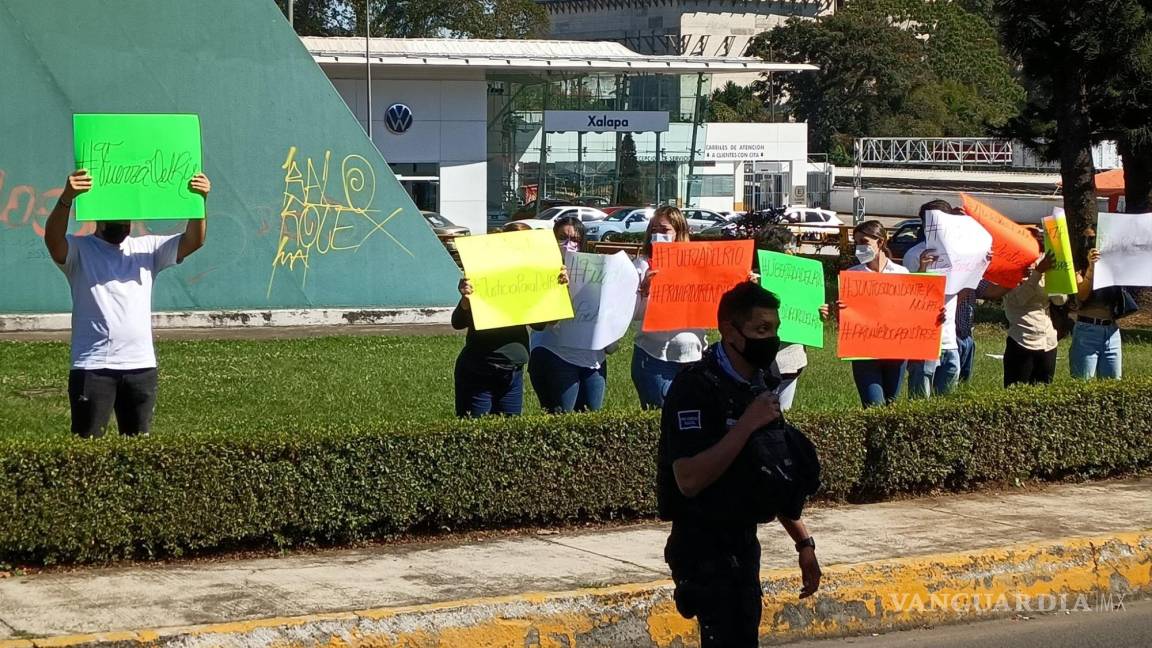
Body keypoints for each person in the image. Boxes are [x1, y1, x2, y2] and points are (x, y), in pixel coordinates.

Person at [658, 281, 821, 648]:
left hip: (742, 540)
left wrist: (804, 544)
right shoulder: (696, 388)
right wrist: (747, 422)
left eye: (775, 329)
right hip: (703, 543)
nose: (771, 339)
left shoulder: (760, 383)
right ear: (730, 331)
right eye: (761, 330)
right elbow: (688, 478)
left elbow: (770, 466)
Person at [44, 169, 211, 438]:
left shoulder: (148, 249)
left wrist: (198, 201)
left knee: (138, 448)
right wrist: (67, 198)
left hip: (141, 367)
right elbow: (53, 241)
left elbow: (194, 240)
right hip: (92, 366)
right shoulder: (79, 250)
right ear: (99, 218)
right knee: (87, 447)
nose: (123, 227)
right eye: (116, 222)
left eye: (126, 222)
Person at [452, 267, 567, 417]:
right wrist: (465, 301)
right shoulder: (483, 276)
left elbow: (542, 323)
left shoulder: (525, 281)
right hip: (478, 373)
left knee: (509, 433)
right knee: (474, 432)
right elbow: (458, 322)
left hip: (512, 374)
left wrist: (557, 289)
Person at [528, 217, 612, 412]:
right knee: (561, 416)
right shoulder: (541, 273)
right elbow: (541, 322)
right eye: (562, 238)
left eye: (575, 239)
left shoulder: (596, 270)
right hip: (556, 354)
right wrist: (559, 289)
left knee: (592, 417)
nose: (569, 244)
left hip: (593, 358)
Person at [630, 206, 705, 409]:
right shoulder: (642, 266)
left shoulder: (700, 266)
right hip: (655, 357)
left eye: (664, 230)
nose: (657, 235)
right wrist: (644, 290)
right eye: (653, 230)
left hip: (694, 356)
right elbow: (632, 315)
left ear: (679, 232)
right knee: (662, 419)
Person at [837, 220, 911, 407]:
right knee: (874, 406)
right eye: (857, 242)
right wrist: (841, 312)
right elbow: (845, 321)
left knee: (891, 405)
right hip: (865, 352)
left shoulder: (902, 273)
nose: (859, 247)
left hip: (896, 351)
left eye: (864, 242)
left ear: (880, 241)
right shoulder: (852, 275)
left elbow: (913, 311)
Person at [980, 228, 1064, 386]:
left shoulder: (1044, 266)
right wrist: (1037, 273)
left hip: (1048, 340)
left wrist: (1057, 278)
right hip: (1022, 340)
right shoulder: (1010, 270)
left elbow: (1060, 300)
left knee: (1043, 393)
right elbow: (1018, 299)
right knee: (1016, 392)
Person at [902, 200, 963, 399]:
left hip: (949, 340)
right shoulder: (914, 255)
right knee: (921, 400)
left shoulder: (960, 253)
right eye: (927, 222)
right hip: (924, 340)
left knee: (946, 403)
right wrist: (922, 270)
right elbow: (907, 298)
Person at [1070, 246, 1124, 379]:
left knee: (1112, 384)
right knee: (1082, 382)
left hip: (1112, 331)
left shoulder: (1115, 267)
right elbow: (1081, 296)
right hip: (1087, 331)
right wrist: (1091, 268)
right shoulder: (1079, 270)